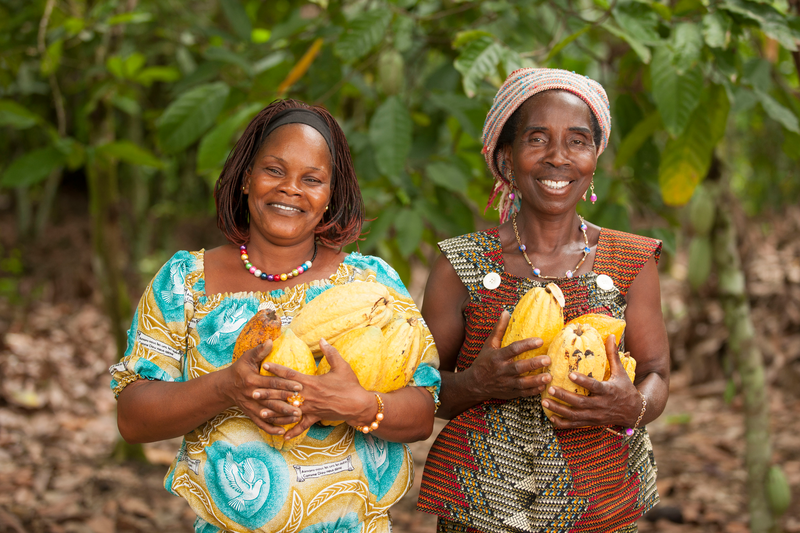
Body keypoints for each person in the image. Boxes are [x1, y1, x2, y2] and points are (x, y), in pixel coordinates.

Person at [110, 99, 441, 533]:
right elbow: (133, 418)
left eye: (312, 179)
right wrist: (226, 386)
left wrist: (355, 404)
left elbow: (422, 410)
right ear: (247, 179)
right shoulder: (185, 281)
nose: (291, 189)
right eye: (274, 171)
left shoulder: (370, 284)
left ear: (329, 197)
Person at [416, 68, 669, 533]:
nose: (558, 158)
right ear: (507, 157)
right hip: (482, 508)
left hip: (602, 505)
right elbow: (419, 392)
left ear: (595, 156)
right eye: (538, 139)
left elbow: (657, 375)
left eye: (577, 141)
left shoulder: (631, 259)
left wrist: (628, 407)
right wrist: (476, 384)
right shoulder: (461, 264)